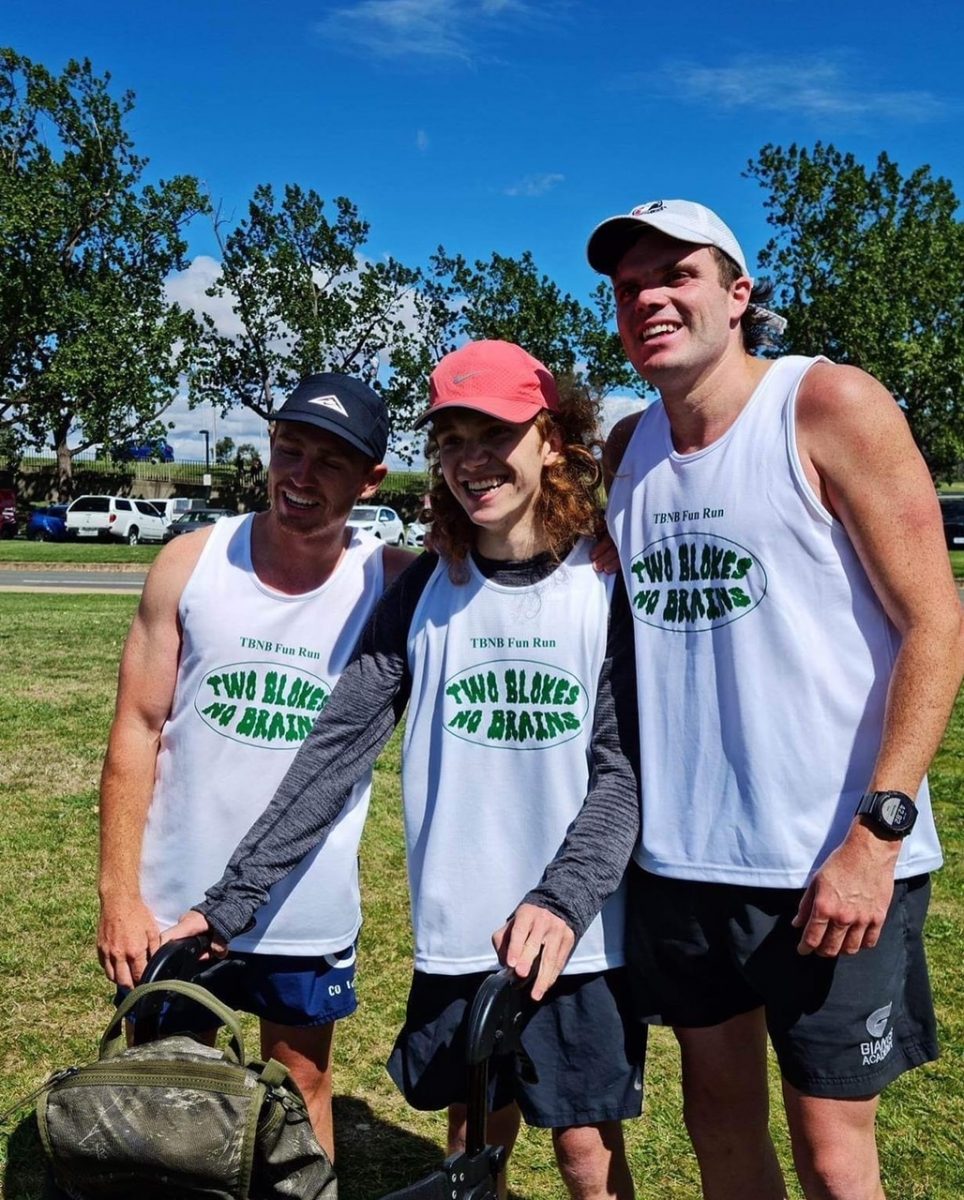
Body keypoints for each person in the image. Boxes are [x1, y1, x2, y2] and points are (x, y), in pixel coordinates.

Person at [499, 198, 964, 1200]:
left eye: (678, 276)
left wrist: (875, 834)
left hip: (829, 862)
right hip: (683, 864)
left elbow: (935, 621)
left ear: (738, 294)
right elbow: (534, 562)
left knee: (835, 1154)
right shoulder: (628, 452)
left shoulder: (825, 404)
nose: (649, 300)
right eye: (629, 288)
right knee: (717, 1125)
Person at [164, 340, 645, 1200]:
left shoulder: (602, 583)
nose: (472, 461)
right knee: (470, 1145)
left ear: (552, 440)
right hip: (462, 928)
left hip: (577, 935)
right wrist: (229, 904)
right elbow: (332, 756)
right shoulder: (426, 587)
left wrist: (563, 897)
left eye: (495, 433)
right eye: (453, 439)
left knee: (585, 1156)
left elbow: (622, 775)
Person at [96, 373, 413, 1160]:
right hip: (176, 899)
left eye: (330, 462)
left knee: (301, 1087)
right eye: (289, 449)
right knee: (164, 1095)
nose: (300, 477)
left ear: (373, 478)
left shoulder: (395, 583)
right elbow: (136, 726)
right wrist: (119, 892)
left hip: (304, 904)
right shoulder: (190, 562)